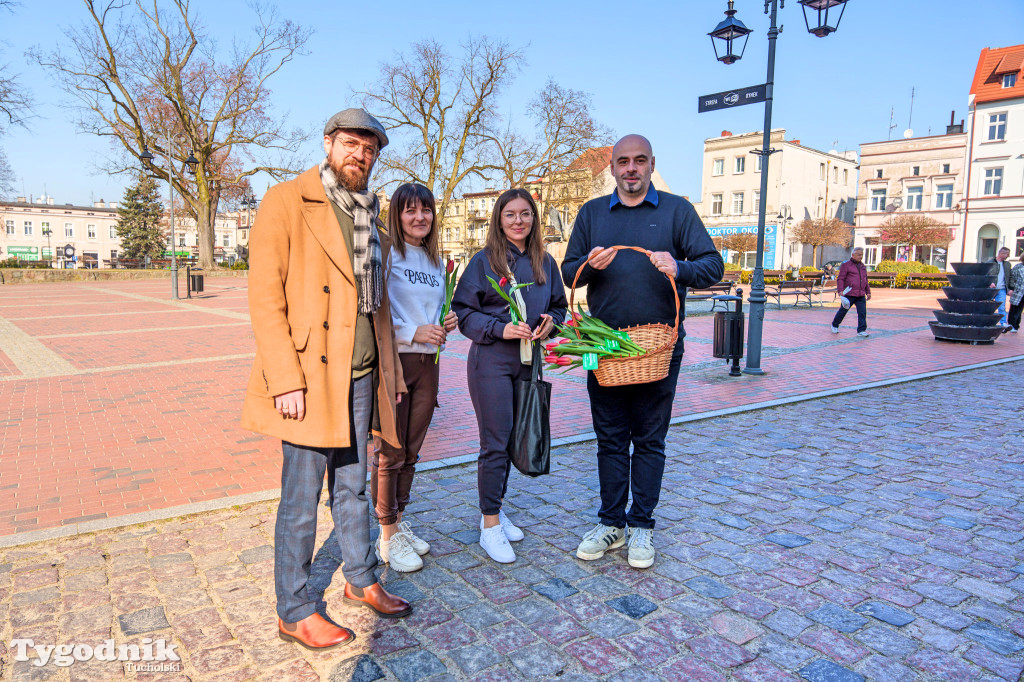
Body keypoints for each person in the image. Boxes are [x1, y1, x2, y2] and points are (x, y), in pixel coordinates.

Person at [241, 108, 412, 650]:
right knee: (300, 497)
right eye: (350, 144)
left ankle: (361, 580)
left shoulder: (371, 210)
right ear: (328, 143)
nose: (359, 154)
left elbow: (374, 304)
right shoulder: (286, 200)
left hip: (361, 372)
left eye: (369, 148)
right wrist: (284, 378)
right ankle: (293, 608)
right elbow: (265, 297)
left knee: (355, 485)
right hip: (311, 378)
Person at [561, 134, 723, 569]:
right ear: (611, 168)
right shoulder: (592, 213)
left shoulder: (677, 210)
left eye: (639, 161)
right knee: (609, 438)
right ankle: (611, 522)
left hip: (659, 346)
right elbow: (567, 272)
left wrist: (680, 267)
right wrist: (585, 266)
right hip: (601, 347)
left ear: (652, 165)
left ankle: (642, 527)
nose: (631, 169)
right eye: (622, 162)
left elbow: (713, 265)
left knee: (649, 439)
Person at [451, 188, 568, 564]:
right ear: (499, 220)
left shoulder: (545, 263)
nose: (519, 221)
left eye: (526, 214)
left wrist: (553, 322)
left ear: (534, 219)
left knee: (515, 437)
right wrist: (499, 329)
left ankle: (497, 509)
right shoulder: (484, 262)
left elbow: (560, 307)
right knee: (496, 441)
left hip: (528, 361)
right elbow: (464, 314)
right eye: (510, 215)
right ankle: (488, 526)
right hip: (491, 362)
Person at [369, 183, 457, 572]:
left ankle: (398, 524)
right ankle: (386, 537)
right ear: (397, 215)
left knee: (412, 451)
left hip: (429, 366)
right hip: (397, 363)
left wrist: (444, 322)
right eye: (410, 210)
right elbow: (376, 312)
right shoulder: (387, 255)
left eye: (426, 210)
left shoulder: (437, 261)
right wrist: (412, 332)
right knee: (390, 451)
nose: (420, 217)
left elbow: (429, 311)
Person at [831, 247, 871, 337]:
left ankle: (861, 330)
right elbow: (841, 278)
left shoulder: (862, 266)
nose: (861, 257)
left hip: (860, 294)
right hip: (849, 293)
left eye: (862, 255)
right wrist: (840, 291)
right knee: (843, 311)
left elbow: (865, 280)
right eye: (859, 255)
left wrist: (868, 292)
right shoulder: (846, 265)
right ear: (853, 255)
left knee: (862, 312)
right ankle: (834, 324)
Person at [990, 246, 1013, 329]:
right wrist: (989, 283)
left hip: (1002, 289)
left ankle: (1003, 324)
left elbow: (1009, 277)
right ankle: (987, 323)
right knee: (987, 307)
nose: (1008, 256)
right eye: (1007, 254)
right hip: (990, 289)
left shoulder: (1007, 264)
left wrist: (1010, 288)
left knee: (1002, 306)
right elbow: (984, 274)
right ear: (1001, 253)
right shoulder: (990, 262)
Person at [1007, 253, 1023, 333]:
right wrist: (1011, 288)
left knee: (1019, 309)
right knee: (1014, 308)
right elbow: (1012, 277)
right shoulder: (1018, 267)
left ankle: (1016, 325)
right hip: (1018, 291)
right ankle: (1012, 325)